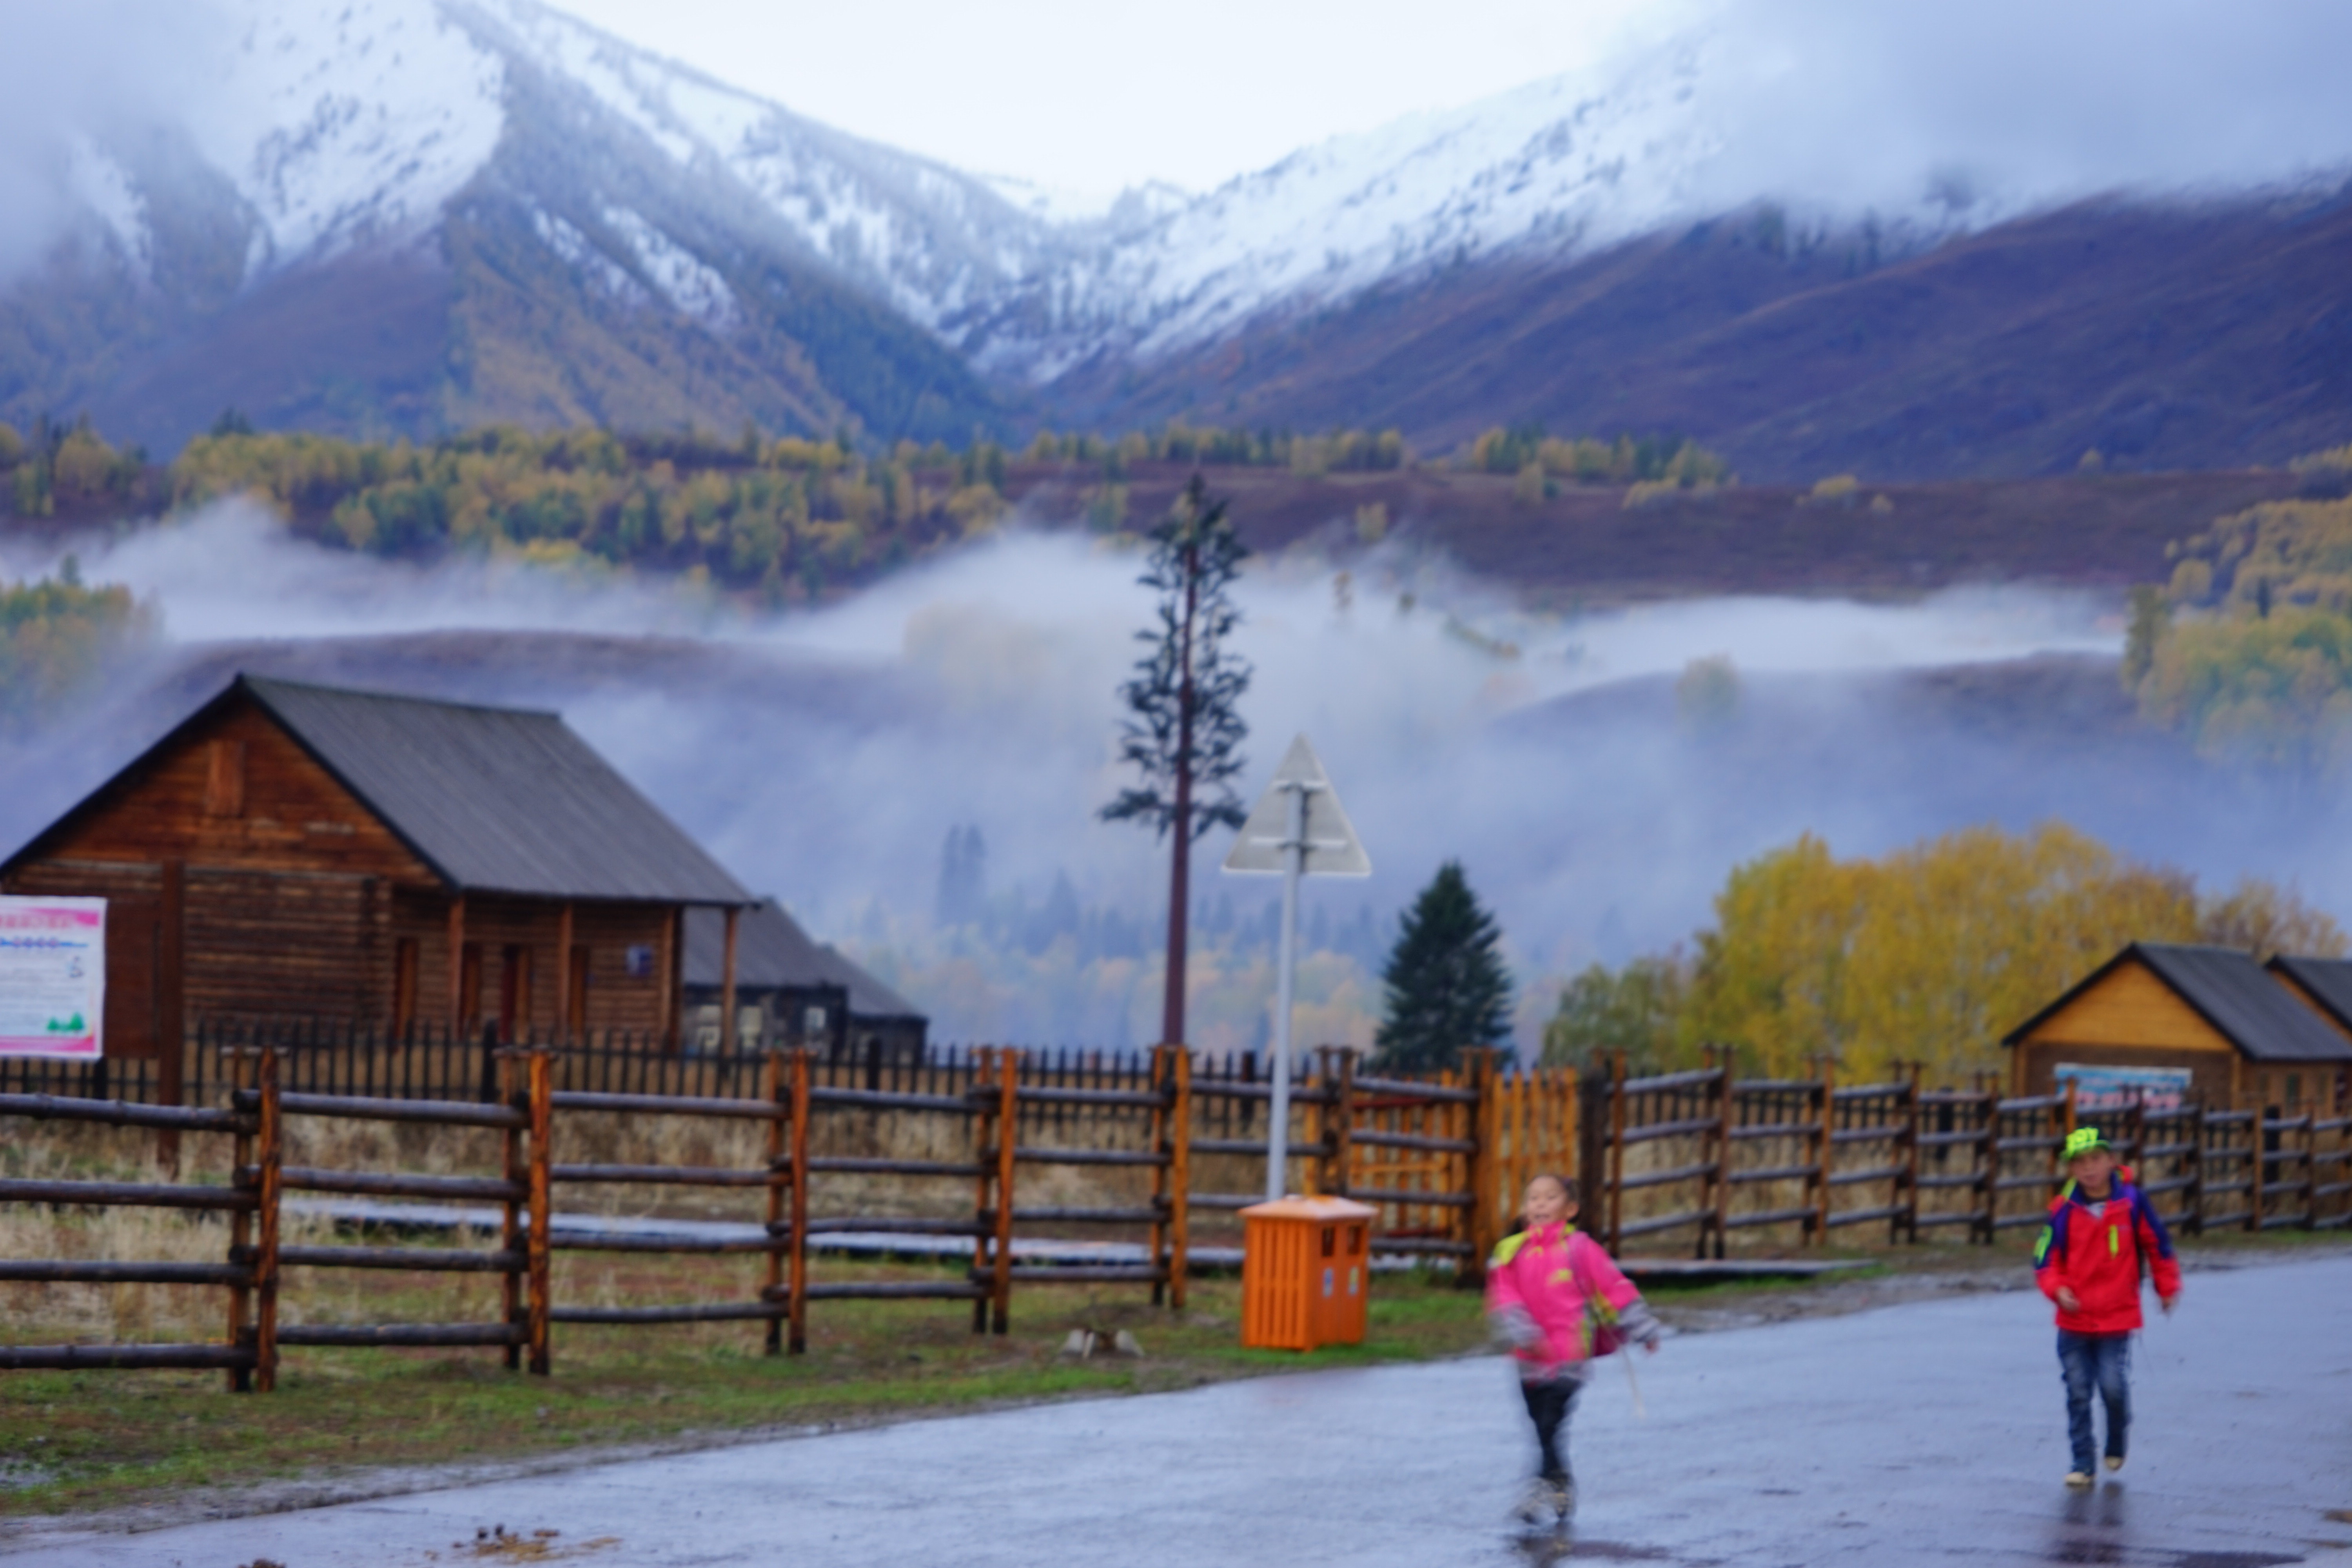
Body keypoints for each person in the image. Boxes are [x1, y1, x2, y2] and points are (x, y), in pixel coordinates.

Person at [1485, 1173, 1662, 1525]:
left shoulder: (1580, 1249)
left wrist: (1642, 1328)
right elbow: (1504, 1297)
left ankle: (1540, 1487)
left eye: (1550, 1198)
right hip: (1528, 1359)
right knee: (1540, 1426)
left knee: (1552, 1423)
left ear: (1570, 1209)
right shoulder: (1510, 1252)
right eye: (1533, 1198)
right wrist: (1521, 1331)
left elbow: (1614, 1288)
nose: (1539, 1204)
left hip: (1569, 1357)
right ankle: (1559, 1481)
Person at [2034, 1125, 2181, 1489]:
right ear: (2071, 1169)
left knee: (2113, 1386)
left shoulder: (2132, 1202)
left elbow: (2158, 1246)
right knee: (2078, 1390)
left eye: (2096, 1159)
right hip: (2074, 1319)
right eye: (2080, 1162)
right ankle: (2083, 1463)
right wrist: (2057, 1289)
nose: (2089, 1169)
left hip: (2118, 1317)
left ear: (2111, 1161)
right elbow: (2044, 1259)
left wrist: (2167, 1287)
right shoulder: (2062, 1211)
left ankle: (2117, 1436)